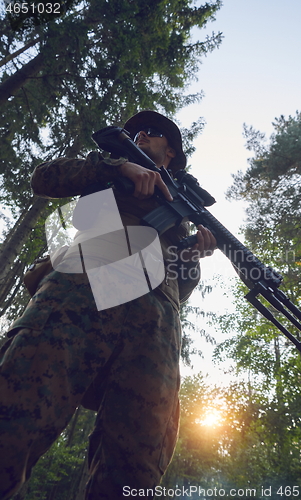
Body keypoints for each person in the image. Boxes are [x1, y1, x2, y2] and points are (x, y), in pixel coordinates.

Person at [0, 110, 216, 499]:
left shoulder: (182, 211)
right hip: (85, 283)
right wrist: (114, 168)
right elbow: (43, 178)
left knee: (137, 463)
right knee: (15, 413)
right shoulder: (110, 169)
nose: (141, 135)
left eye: (151, 133)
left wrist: (192, 257)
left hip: (156, 322)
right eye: (136, 132)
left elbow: (180, 292)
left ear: (171, 154)